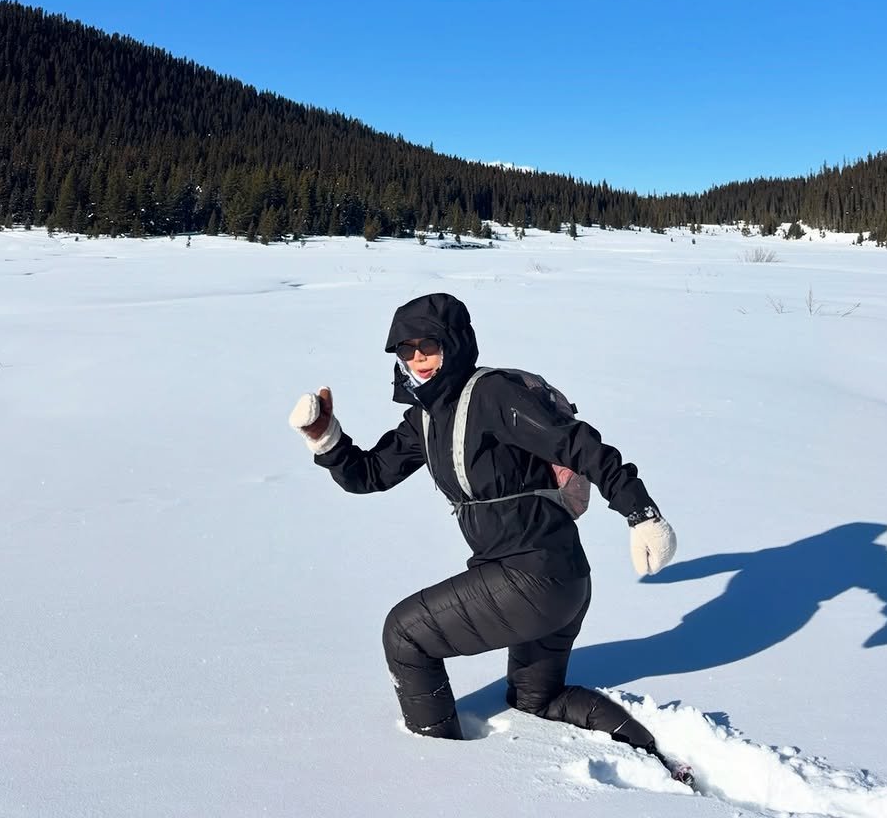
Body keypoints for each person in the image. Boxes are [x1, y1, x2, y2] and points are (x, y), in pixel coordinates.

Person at [289, 291, 680, 762]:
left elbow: (578, 444)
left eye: (428, 345)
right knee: (536, 699)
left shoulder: (492, 395)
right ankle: (660, 753)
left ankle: (438, 771)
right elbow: (370, 474)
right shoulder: (426, 419)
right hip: (556, 581)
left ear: (453, 344)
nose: (418, 359)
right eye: (405, 350)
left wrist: (641, 513)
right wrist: (326, 439)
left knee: (405, 636)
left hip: (534, 576)